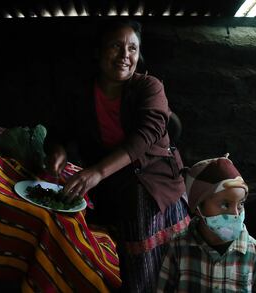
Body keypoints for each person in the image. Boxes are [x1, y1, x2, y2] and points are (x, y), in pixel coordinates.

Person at [44, 19, 190, 293]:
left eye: (132, 48)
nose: (125, 56)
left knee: (150, 273)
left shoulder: (150, 88)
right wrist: (57, 149)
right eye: (116, 46)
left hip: (153, 188)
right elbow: (59, 132)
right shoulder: (80, 94)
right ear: (98, 52)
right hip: (113, 189)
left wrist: (97, 172)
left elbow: (144, 137)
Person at [157, 154, 256, 292]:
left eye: (240, 204)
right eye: (225, 205)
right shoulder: (179, 247)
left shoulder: (253, 251)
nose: (235, 213)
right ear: (198, 208)